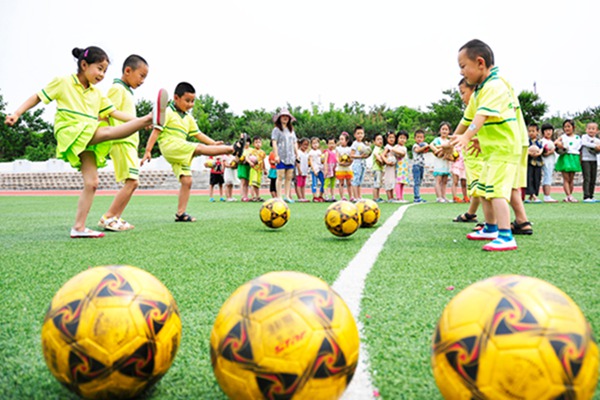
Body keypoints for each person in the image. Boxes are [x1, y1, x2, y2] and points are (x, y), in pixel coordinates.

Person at [5, 46, 164, 238]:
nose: (102, 74)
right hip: (70, 129)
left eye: (105, 70)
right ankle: (148, 118)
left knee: (92, 183)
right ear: (83, 65)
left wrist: (133, 120)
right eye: (99, 68)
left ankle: (78, 228)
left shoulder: (97, 94)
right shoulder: (63, 82)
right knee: (106, 131)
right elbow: (37, 97)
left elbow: (114, 112)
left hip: (86, 134)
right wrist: (16, 113)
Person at [450, 39, 526, 251]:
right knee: (484, 189)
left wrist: (466, 138)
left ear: (480, 63)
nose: (461, 72)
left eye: (463, 66)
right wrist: (450, 143)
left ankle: (506, 236)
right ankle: (491, 227)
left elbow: (480, 117)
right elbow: (467, 119)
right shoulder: (481, 89)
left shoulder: (495, 86)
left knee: (497, 193)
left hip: (504, 149)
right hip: (491, 151)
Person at [142, 82, 245, 222]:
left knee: (187, 180)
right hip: (170, 146)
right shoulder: (167, 112)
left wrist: (213, 143)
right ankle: (233, 149)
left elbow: (199, 134)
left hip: (180, 149)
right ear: (176, 98)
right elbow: (155, 131)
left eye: (193, 101)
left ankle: (181, 214)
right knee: (199, 148)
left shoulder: (188, 118)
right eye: (187, 101)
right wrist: (148, 150)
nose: (190, 104)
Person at [95, 55, 149, 232]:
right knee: (132, 182)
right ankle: (109, 217)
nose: (143, 81)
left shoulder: (126, 91)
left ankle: (115, 217)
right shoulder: (117, 89)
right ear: (128, 71)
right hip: (121, 141)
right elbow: (105, 113)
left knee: (133, 182)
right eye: (141, 75)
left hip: (129, 143)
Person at [452, 78, 482, 225]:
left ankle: (491, 223)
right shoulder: (471, 110)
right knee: (477, 189)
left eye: (463, 93)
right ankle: (471, 213)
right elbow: (461, 129)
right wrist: (449, 145)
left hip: (478, 156)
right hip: (471, 157)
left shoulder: (480, 110)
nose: (462, 97)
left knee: (482, 188)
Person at [271, 109, 298, 203]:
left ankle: (287, 195)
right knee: (280, 176)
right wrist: (276, 155)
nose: (285, 118)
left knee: (289, 177)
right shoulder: (276, 130)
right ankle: (279, 196)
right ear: (279, 118)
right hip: (281, 156)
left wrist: (297, 154)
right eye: (283, 116)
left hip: (290, 156)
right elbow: (274, 142)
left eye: (287, 116)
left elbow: (295, 142)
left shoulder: (291, 130)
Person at [554, 119, 582, 202]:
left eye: (569, 126)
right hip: (565, 157)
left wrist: (580, 160)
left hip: (574, 157)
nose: (567, 128)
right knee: (566, 178)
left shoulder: (577, 138)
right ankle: (568, 195)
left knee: (571, 178)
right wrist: (561, 145)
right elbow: (555, 142)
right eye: (565, 127)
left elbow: (580, 150)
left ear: (573, 127)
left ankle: (570, 195)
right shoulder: (562, 137)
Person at [429, 122, 452, 203]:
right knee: (438, 180)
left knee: (445, 180)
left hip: (446, 162)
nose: (444, 131)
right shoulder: (437, 140)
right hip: (439, 162)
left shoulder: (449, 141)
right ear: (440, 131)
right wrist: (437, 151)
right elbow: (431, 145)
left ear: (449, 131)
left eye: (446, 129)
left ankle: (443, 196)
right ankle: (438, 197)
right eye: (443, 129)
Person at [349, 126, 370, 201]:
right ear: (354, 135)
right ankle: (355, 197)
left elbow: (366, 154)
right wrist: (360, 156)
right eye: (358, 133)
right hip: (357, 164)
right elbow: (351, 155)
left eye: (361, 133)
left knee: (360, 181)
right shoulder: (355, 144)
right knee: (356, 180)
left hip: (363, 164)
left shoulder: (363, 144)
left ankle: (359, 196)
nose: (360, 135)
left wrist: (367, 155)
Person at [581, 122, 600, 202]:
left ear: (597, 131)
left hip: (594, 160)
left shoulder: (597, 140)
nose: (591, 130)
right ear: (586, 130)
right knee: (587, 178)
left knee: (593, 178)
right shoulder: (584, 137)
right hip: (585, 160)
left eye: (593, 129)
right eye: (589, 128)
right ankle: (586, 196)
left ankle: (591, 196)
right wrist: (595, 146)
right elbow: (584, 143)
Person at [525, 123, 543, 203]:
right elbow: (525, 150)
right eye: (529, 131)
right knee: (529, 178)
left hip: (538, 163)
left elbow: (542, 149)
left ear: (537, 132)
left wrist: (539, 153)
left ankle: (532, 195)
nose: (531, 133)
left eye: (533, 131)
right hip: (529, 163)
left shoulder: (540, 142)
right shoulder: (526, 142)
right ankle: (533, 195)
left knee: (537, 178)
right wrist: (529, 152)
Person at [540, 123, 558, 203]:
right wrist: (552, 150)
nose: (548, 132)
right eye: (546, 130)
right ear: (543, 132)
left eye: (550, 130)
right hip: (545, 162)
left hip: (551, 162)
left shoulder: (551, 141)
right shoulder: (542, 142)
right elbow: (544, 153)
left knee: (548, 177)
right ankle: (547, 196)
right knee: (547, 178)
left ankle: (547, 196)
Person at [411, 129, 428, 203]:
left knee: (419, 181)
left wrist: (426, 147)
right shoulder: (415, 145)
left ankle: (418, 196)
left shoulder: (422, 146)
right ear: (415, 138)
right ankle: (416, 197)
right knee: (417, 181)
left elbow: (425, 150)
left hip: (421, 165)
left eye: (421, 137)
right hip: (416, 166)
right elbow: (417, 150)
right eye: (417, 137)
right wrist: (426, 146)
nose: (419, 139)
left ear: (423, 138)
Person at [248, 136, 267, 202]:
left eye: (259, 142)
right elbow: (247, 158)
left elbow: (263, 161)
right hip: (254, 169)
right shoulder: (252, 151)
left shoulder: (263, 152)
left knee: (257, 184)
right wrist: (250, 162)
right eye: (256, 142)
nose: (258, 144)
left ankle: (257, 196)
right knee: (253, 183)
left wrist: (265, 169)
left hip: (260, 170)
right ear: (253, 144)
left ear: (261, 143)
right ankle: (252, 196)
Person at [336, 132, 353, 201]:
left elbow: (351, 157)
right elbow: (337, 157)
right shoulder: (338, 148)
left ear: (347, 140)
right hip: (340, 168)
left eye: (342, 139)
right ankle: (342, 196)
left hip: (348, 167)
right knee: (341, 182)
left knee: (349, 182)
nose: (341, 141)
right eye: (340, 139)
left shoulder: (349, 149)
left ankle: (351, 196)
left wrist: (349, 163)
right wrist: (340, 162)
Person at [381, 131, 398, 202]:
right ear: (386, 138)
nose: (392, 139)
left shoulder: (394, 147)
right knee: (388, 181)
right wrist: (387, 161)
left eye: (393, 137)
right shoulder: (387, 147)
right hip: (388, 167)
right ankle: (389, 197)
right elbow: (382, 155)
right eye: (390, 137)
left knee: (392, 181)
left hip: (393, 168)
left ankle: (392, 196)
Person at [394, 130, 410, 203]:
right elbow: (394, 150)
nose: (402, 139)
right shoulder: (397, 147)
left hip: (405, 167)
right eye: (401, 138)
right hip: (399, 166)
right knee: (399, 182)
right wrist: (400, 153)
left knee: (402, 182)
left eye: (404, 138)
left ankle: (401, 197)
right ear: (397, 138)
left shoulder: (404, 147)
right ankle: (398, 197)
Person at [308, 137, 325, 202]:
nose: (315, 144)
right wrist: (313, 169)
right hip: (314, 169)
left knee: (323, 182)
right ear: (311, 144)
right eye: (313, 143)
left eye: (316, 143)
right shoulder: (311, 152)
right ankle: (314, 196)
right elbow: (311, 161)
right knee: (314, 183)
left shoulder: (319, 151)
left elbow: (321, 160)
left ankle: (320, 195)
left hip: (320, 169)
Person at [371, 133, 385, 203]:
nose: (380, 141)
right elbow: (376, 155)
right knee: (376, 183)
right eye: (378, 139)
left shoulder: (380, 148)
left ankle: (377, 196)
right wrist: (382, 161)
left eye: (381, 139)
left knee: (378, 183)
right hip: (376, 169)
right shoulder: (376, 148)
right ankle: (375, 197)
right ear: (374, 142)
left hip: (379, 169)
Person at [295, 137, 310, 202]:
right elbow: (297, 162)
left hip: (305, 171)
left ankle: (303, 196)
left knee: (303, 184)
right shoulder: (298, 152)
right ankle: (300, 197)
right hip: (299, 171)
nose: (305, 146)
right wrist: (299, 170)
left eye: (307, 145)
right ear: (300, 144)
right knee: (299, 184)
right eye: (304, 144)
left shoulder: (306, 153)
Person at [323, 137, 338, 201]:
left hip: (334, 168)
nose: (331, 145)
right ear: (327, 144)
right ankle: (326, 196)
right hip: (329, 168)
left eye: (333, 143)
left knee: (333, 183)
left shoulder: (336, 151)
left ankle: (333, 196)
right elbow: (325, 161)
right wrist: (326, 170)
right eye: (330, 143)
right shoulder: (327, 152)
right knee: (326, 183)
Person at [237, 137, 252, 202]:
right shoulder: (240, 150)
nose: (247, 143)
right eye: (245, 142)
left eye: (248, 142)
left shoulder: (251, 150)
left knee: (247, 182)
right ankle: (242, 196)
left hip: (248, 167)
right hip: (242, 166)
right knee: (243, 182)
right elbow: (237, 159)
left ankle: (246, 195)